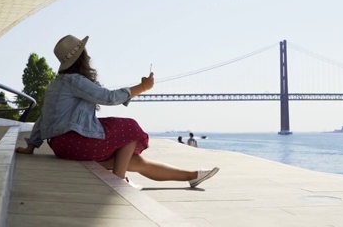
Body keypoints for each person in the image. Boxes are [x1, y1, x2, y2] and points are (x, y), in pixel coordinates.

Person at [15, 34, 219, 189]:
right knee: (129, 128)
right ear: (81, 59)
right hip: (74, 142)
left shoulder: (56, 85)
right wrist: (143, 88)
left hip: (61, 146)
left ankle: (191, 176)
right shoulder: (74, 81)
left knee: (135, 161)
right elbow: (109, 98)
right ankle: (119, 181)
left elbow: (44, 117)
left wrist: (32, 146)